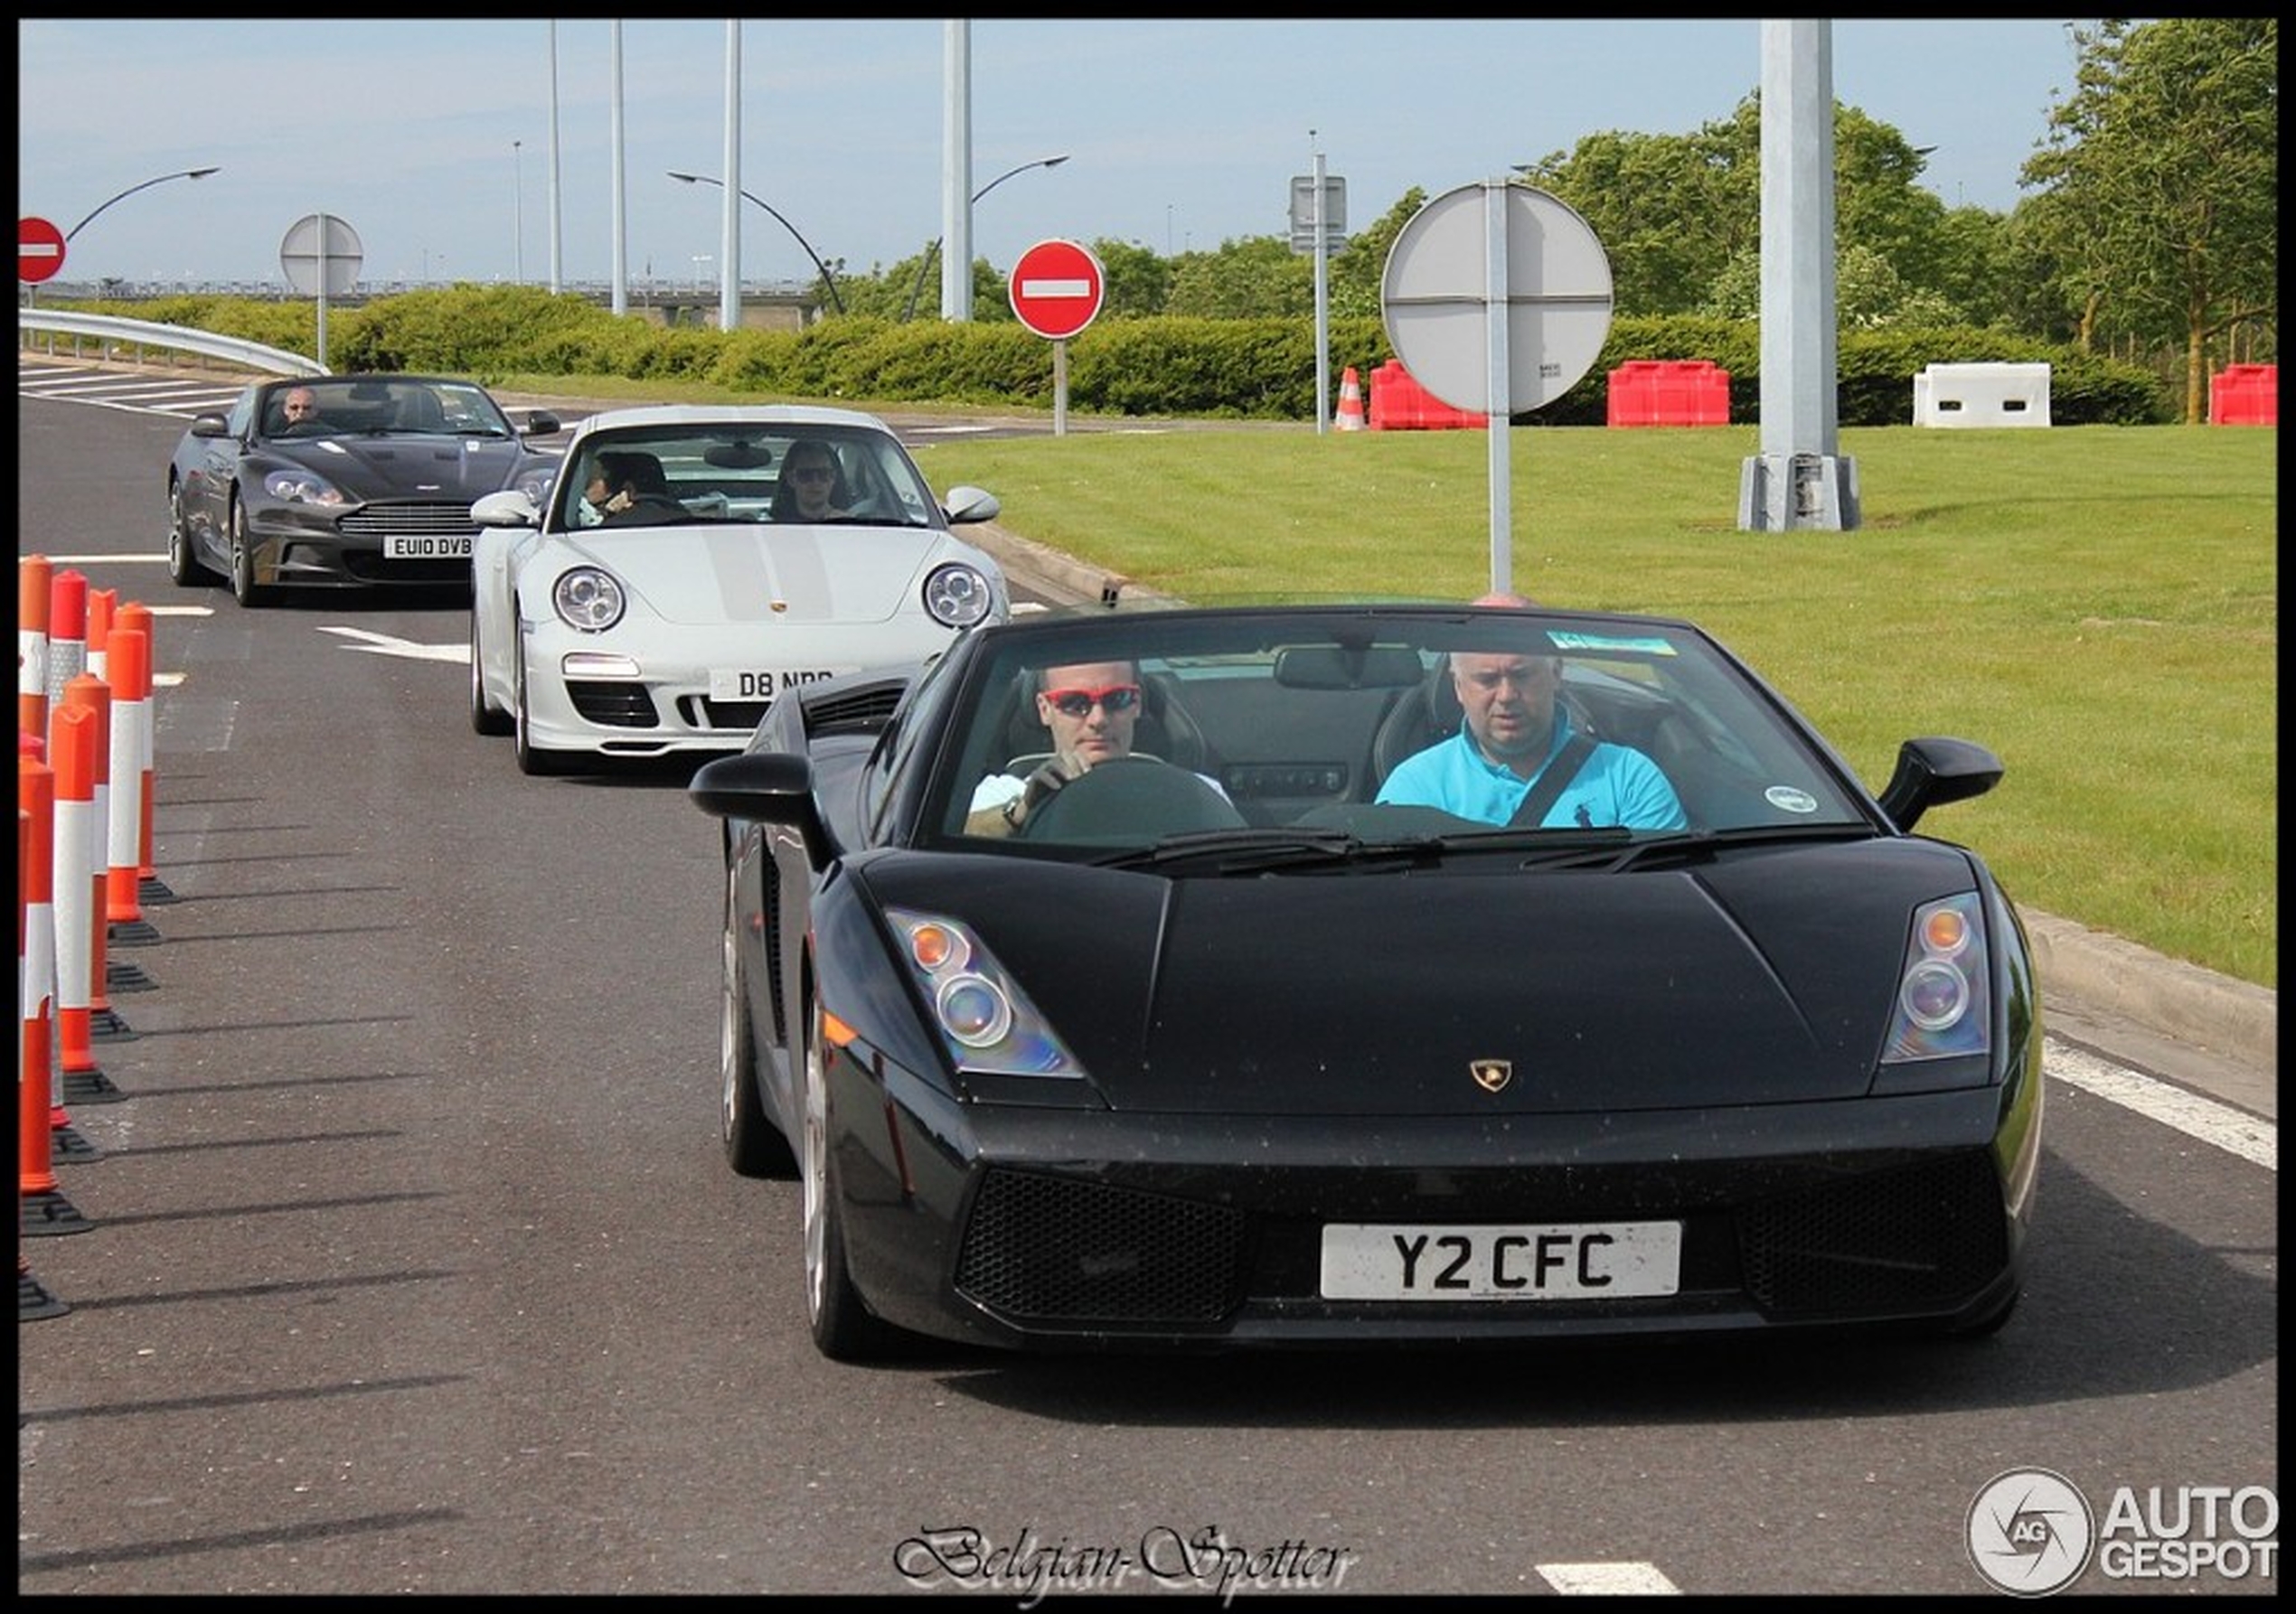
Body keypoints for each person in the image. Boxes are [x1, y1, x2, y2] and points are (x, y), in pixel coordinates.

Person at [1376, 595, 1688, 830]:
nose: (1507, 695)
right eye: (1487, 680)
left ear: (1556, 673)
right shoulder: (1415, 789)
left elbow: (1663, 897)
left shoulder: (1628, 779)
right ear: (1458, 687)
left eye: (1522, 675)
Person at [965, 659, 1228, 837]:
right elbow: (951, 844)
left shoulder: (1196, 793)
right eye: (1074, 702)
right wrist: (1022, 810)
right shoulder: (1003, 794)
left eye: (1118, 698)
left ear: (1136, 702)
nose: (1098, 720)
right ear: (1044, 709)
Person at [772, 440, 852, 522]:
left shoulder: (852, 525)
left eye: (823, 474)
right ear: (791, 479)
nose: (815, 482)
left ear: (833, 478)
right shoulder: (771, 527)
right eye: (806, 475)